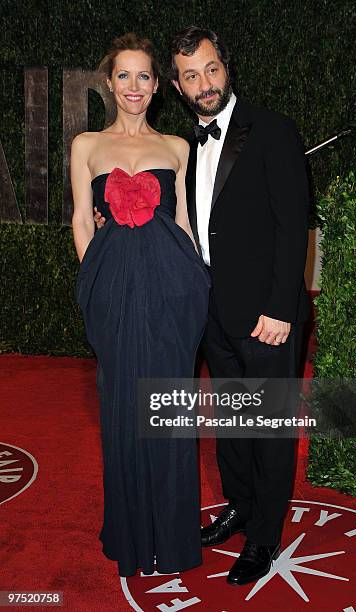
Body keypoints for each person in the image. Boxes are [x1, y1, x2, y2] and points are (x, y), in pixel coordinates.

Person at [169, 26, 310, 586]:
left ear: (226, 69)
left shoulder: (273, 130)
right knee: (231, 423)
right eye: (190, 76)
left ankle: (265, 534)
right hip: (212, 314)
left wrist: (280, 308)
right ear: (177, 87)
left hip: (265, 317)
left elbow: (292, 226)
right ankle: (240, 505)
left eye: (210, 70)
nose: (203, 84)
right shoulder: (183, 147)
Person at [71, 32, 210, 578]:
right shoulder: (87, 145)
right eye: (123, 76)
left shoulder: (177, 146)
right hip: (113, 288)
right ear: (110, 82)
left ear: (157, 87)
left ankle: (172, 534)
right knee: (122, 404)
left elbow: (181, 223)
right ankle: (132, 530)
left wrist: (195, 278)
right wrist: (93, 283)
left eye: (145, 76)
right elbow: (83, 221)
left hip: (172, 286)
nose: (134, 86)